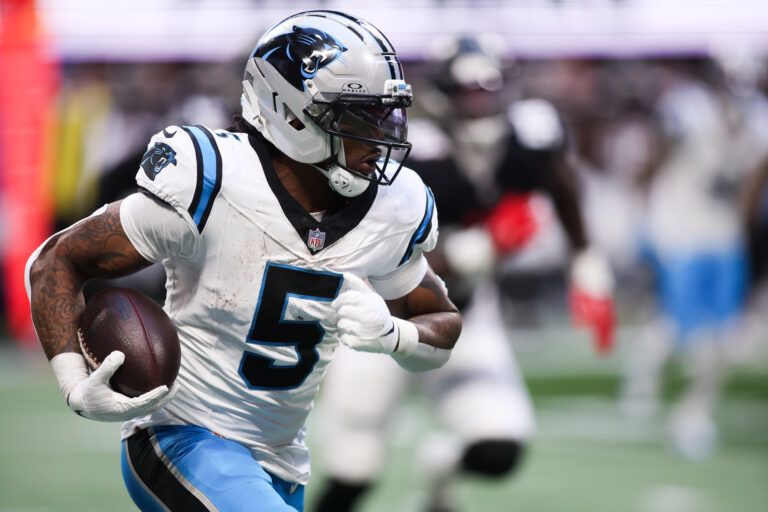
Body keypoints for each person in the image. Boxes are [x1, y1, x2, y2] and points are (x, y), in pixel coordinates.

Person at [25, 11, 461, 512]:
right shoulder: (212, 179)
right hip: (181, 436)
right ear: (292, 114)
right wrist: (73, 381)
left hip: (281, 461)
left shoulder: (396, 207)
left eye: (386, 113)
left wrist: (394, 335)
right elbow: (57, 259)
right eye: (359, 116)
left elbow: (442, 319)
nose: (381, 134)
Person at [313, 36, 614, 512]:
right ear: (442, 94)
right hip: (379, 316)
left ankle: (442, 469)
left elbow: (560, 182)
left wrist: (586, 261)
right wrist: (474, 249)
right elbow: (365, 244)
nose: (479, 104)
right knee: (354, 474)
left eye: (487, 91)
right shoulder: (410, 149)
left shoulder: (528, 133)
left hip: (464, 315)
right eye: (468, 92)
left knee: (500, 446)